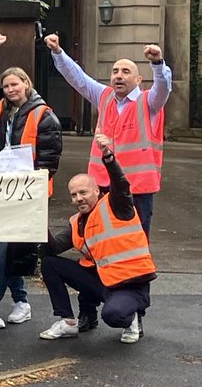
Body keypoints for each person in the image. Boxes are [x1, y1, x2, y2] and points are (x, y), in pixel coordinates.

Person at [0, 33, 62, 330]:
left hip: (28, 193)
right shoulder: (0, 109)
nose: (10, 89)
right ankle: (22, 302)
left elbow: (50, 162)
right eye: (7, 85)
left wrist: (33, 186)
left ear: (27, 84)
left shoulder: (45, 116)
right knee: (6, 246)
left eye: (16, 84)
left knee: (8, 245)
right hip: (1, 189)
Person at [44, 34, 169, 236]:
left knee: (135, 240)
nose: (119, 76)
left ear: (138, 80)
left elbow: (163, 88)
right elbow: (78, 78)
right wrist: (58, 52)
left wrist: (157, 64)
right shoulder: (104, 96)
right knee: (101, 237)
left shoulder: (149, 102)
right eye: (115, 71)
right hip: (102, 185)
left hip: (136, 188)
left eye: (126, 72)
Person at [38, 135, 155, 344]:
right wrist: (37, 223)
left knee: (113, 316)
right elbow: (53, 248)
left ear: (97, 191)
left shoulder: (117, 206)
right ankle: (68, 322)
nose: (78, 198)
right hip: (103, 281)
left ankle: (134, 314)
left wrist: (108, 157)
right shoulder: (76, 221)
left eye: (83, 192)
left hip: (130, 283)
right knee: (50, 264)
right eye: (73, 195)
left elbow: (121, 184)